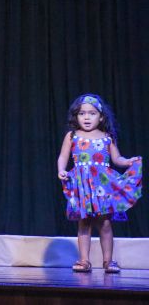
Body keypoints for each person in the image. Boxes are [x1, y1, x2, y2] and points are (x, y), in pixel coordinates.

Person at [57, 94, 142, 273]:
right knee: (84, 222)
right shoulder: (72, 136)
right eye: (82, 113)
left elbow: (116, 158)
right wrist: (61, 170)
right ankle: (84, 260)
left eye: (92, 113)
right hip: (82, 186)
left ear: (101, 116)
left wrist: (127, 162)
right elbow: (63, 156)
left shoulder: (107, 137)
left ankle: (108, 261)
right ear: (76, 116)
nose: (87, 117)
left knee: (104, 223)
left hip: (102, 186)